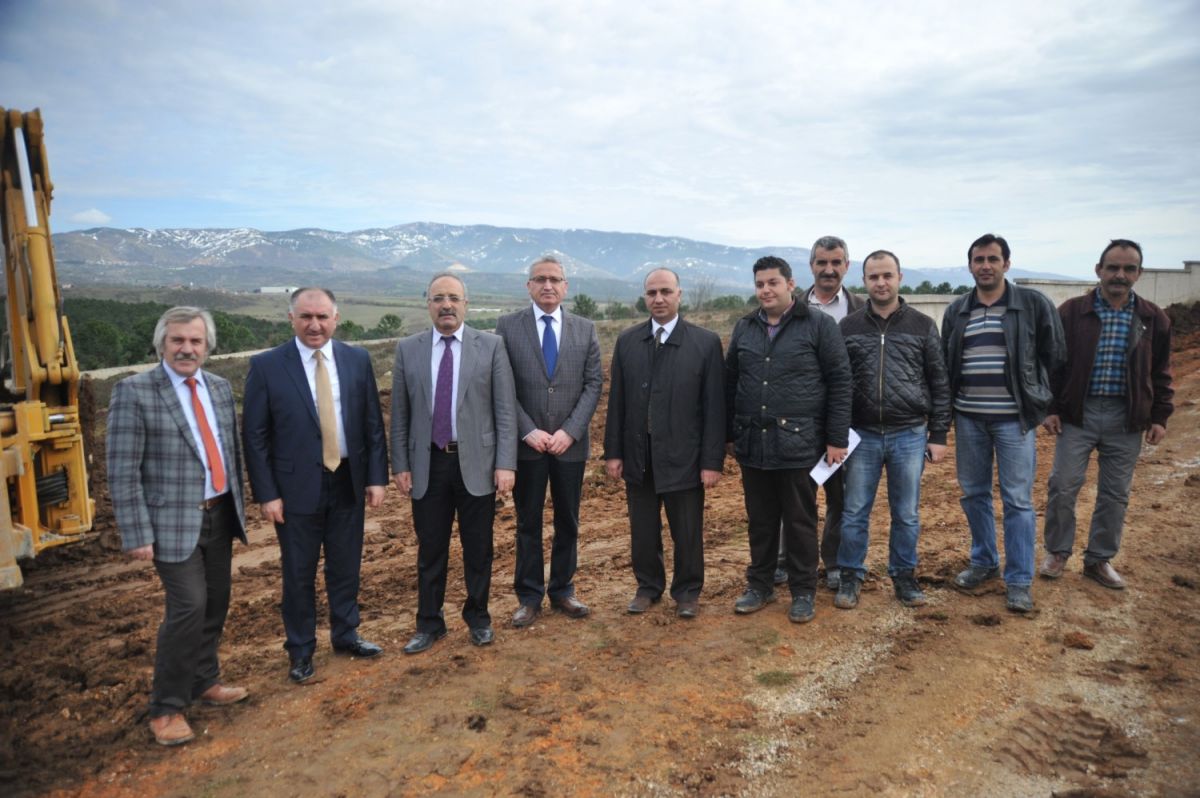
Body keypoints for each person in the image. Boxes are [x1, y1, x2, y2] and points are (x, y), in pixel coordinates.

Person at [107, 306, 248, 746]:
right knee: (188, 607)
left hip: (220, 513)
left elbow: (230, 450)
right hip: (170, 522)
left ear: (207, 347)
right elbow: (122, 470)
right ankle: (166, 708)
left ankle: (205, 680)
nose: (187, 349)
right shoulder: (134, 392)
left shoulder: (219, 388)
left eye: (195, 341)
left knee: (216, 602)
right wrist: (136, 533)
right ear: (162, 345)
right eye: (178, 340)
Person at [243, 288, 388, 683]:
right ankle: (301, 650)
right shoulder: (267, 366)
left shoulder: (357, 359)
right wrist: (267, 493)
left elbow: (372, 424)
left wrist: (377, 477)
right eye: (306, 317)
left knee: (346, 566)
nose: (314, 325)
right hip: (294, 489)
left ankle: (346, 634)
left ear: (335, 319)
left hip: (347, 480)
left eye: (322, 317)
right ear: (291, 319)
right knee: (298, 573)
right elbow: (255, 436)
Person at [391, 273, 518, 653]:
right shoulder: (408, 349)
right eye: (438, 298)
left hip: (477, 463)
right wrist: (400, 464)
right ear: (427, 304)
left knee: (478, 548)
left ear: (466, 304)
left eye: (453, 298)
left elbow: (504, 411)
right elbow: (400, 414)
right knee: (431, 549)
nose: (446, 305)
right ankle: (429, 623)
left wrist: (506, 463)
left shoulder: (491, 346)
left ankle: (478, 618)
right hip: (428, 464)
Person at [1040, 239, 1174, 589]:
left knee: (1115, 493)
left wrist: (1159, 416)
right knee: (1062, 486)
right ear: (1098, 270)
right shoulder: (1072, 312)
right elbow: (1052, 365)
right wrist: (1051, 408)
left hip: (1126, 419)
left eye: (1129, 268)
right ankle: (1057, 552)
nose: (1120, 275)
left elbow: (1161, 371)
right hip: (1077, 415)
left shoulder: (1153, 318)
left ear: (1139, 273)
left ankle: (1099, 559)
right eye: (1113, 267)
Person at [942, 234, 1066, 612]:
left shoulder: (1032, 304)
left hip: (1014, 421)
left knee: (1017, 500)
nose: (985, 266)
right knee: (973, 494)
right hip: (969, 418)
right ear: (970, 265)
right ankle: (984, 561)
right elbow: (947, 363)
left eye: (992, 259)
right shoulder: (957, 310)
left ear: (1006, 264)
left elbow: (1055, 356)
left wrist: (1047, 405)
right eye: (978, 259)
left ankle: (1019, 580)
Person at [727, 256, 851, 623]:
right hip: (754, 443)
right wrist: (729, 434)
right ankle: (760, 585)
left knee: (800, 521)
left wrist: (836, 438)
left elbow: (840, 381)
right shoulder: (745, 327)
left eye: (773, 283)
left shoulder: (819, 325)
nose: (765, 290)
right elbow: (730, 382)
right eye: (759, 284)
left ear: (790, 284)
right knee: (760, 520)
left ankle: (802, 591)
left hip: (800, 444)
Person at [604, 268, 725, 619]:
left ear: (679, 295)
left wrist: (711, 461)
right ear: (645, 297)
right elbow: (617, 402)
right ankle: (647, 587)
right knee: (642, 530)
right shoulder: (628, 342)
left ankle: (687, 592)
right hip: (638, 455)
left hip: (684, 456)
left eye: (665, 292)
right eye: (652, 293)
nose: (658, 299)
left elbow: (715, 408)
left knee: (686, 530)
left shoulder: (704, 343)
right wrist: (614, 452)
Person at [834, 251, 951, 610]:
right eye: (874, 277)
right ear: (864, 281)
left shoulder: (922, 325)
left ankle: (903, 576)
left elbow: (939, 381)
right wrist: (837, 433)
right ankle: (850, 575)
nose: (881, 283)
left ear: (899, 277)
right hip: (862, 434)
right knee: (855, 511)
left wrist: (939, 434)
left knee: (906, 513)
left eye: (887, 275)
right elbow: (839, 385)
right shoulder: (848, 327)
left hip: (909, 433)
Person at [496, 256, 602, 627]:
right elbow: (502, 386)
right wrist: (527, 430)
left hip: (569, 446)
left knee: (568, 520)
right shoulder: (507, 327)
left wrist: (570, 431)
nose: (548, 285)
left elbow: (593, 384)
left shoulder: (585, 329)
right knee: (528, 522)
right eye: (540, 279)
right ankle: (529, 597)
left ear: (565, 287)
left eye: (555, 279)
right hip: (527, 446)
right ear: (529, 286)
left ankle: (563, 590)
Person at [789, 235, 866, 590]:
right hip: (798, 421)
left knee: (841, 496)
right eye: (822, 262)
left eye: (836, 262)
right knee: (793, 496)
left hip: (846, 423)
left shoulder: (862, 310)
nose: (829, 269)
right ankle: (787, 560)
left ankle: (833, 561)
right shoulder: (789, 307)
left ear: (846, 266)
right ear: (811, 266)